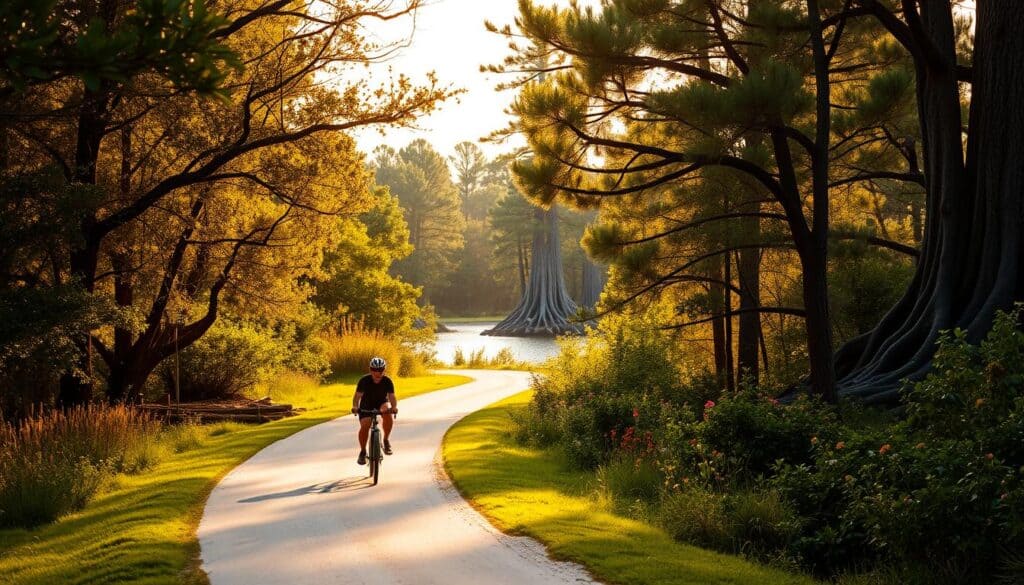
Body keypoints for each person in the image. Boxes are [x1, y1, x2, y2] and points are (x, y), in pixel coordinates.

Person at [351, 356, 398, 465]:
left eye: (380, 370)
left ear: (384, 370)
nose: (378, 373)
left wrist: (394, 407)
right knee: (365, 425)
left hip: (381, 402)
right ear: (370, 370)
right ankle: (363, 451)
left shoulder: (387, 381)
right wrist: (355, 407)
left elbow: (391, 396)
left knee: (387, 412)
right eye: (375, 370)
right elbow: (357, 396)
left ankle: (386, 440)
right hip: (366, 404)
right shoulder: (364, 380)